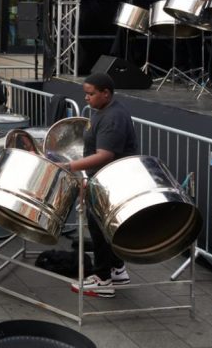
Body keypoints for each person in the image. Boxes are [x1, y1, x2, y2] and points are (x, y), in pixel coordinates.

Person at [67, 73, 138, 298]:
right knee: (106, 229)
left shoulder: (113, 117)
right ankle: (117, 270)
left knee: (100, 229)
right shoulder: (105, 111)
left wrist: (70, 166)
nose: (86, 98)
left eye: (90, 94)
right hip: (104, 179)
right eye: (85, 94)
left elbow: (105, 155)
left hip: (112, 181)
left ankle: (103, 279)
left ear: (105, 93)